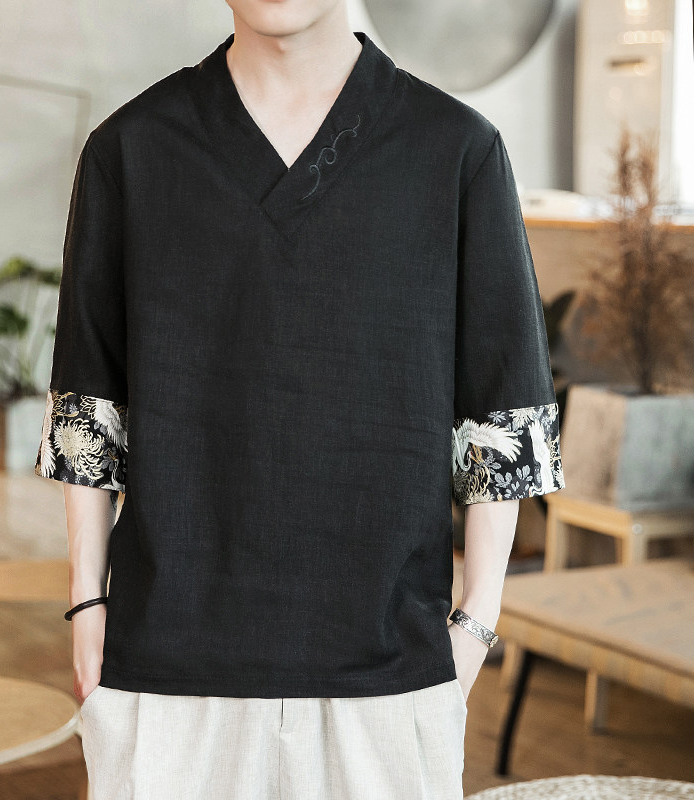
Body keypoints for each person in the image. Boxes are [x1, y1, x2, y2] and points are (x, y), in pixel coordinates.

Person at [34, 1, 565, 798]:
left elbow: (505, 415)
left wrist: (474, 627)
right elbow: (89, 407)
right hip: (167, 669)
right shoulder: (131, 149)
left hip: (391, 677)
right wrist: (87, 609)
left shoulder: (457, 150)